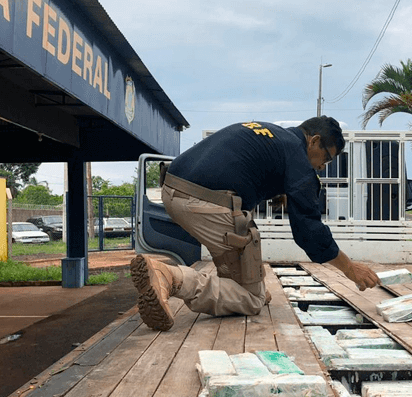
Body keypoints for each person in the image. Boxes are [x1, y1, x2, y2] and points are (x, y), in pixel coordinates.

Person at [130, 116, 380, 331]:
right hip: (201, 201)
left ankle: (243, 287)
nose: (322, 167)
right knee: (252, 299)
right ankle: (170, 277)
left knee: (252, 277)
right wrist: (349, 268)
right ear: (314, 141)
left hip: (171, 187)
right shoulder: (297, 158)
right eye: (326, 158)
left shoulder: (274, 135)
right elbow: (309, 232)